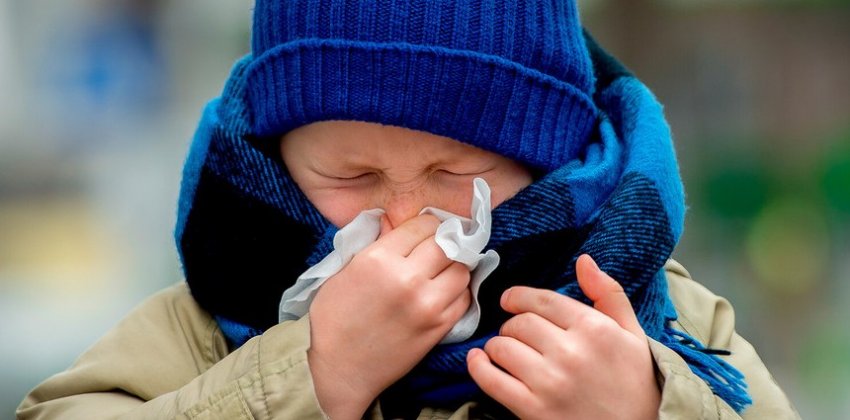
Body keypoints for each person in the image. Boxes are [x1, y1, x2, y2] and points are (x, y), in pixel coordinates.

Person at [18, 1, 799, 419]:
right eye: (350, 175)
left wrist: (646, 411)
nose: (403, 219)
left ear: (544, 162)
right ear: (279, 160)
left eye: (452, 172)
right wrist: (311, 376)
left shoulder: (650, 317)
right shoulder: (208, 320)